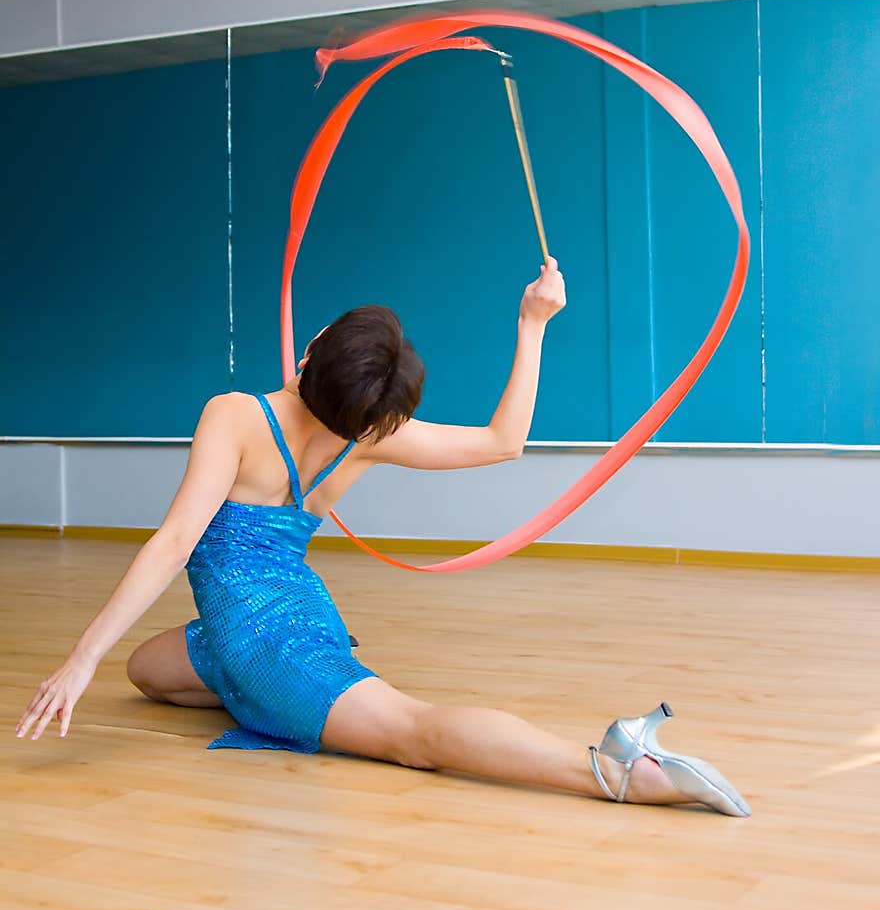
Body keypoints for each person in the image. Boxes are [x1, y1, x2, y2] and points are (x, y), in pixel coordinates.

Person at [16, 259, 749, 817]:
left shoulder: (234, 415)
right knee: (148, 671)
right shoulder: (367, 436)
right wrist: (534, 324)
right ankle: (265, 689)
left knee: (413, 734)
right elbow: (504, 441)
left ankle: (608, 766)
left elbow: (176, 543)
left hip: (269, 645)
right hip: (279, 616)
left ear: (309, 351)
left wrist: (78, 662)